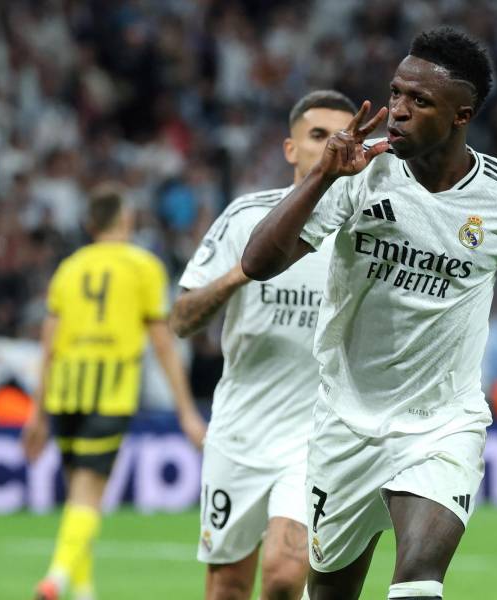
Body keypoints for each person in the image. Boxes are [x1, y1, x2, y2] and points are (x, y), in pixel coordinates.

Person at [241, 28, 497, 600]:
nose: (397, 111)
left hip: (442, 421)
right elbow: (257, 263)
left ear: (462, 115)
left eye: (419, 101)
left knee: (418, 579)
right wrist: (320, 176)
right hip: (345, 419)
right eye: (395, 93)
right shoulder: (358, 175)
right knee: (330, 592)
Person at [169, 90, 358, 600]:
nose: (331, 144)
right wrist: (242, 272)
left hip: (317, 436)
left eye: (343, 134)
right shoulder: (246, 218)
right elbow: (181, 319)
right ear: (290, 149)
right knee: (228, 586)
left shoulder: (364, 233)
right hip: (240, 431)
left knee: (282, 575)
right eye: (318, 135)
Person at [21, 184, 206, 600]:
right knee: (88, 496)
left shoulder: (68, 268)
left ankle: (84, 592)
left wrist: (35, 412)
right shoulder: (143, 266)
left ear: (90, 224)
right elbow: (162, 343)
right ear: (127, 221)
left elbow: (47, 344)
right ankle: (56, 579)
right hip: (110, 390)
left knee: (76, 498)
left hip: (64, 391)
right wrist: (186, 410)